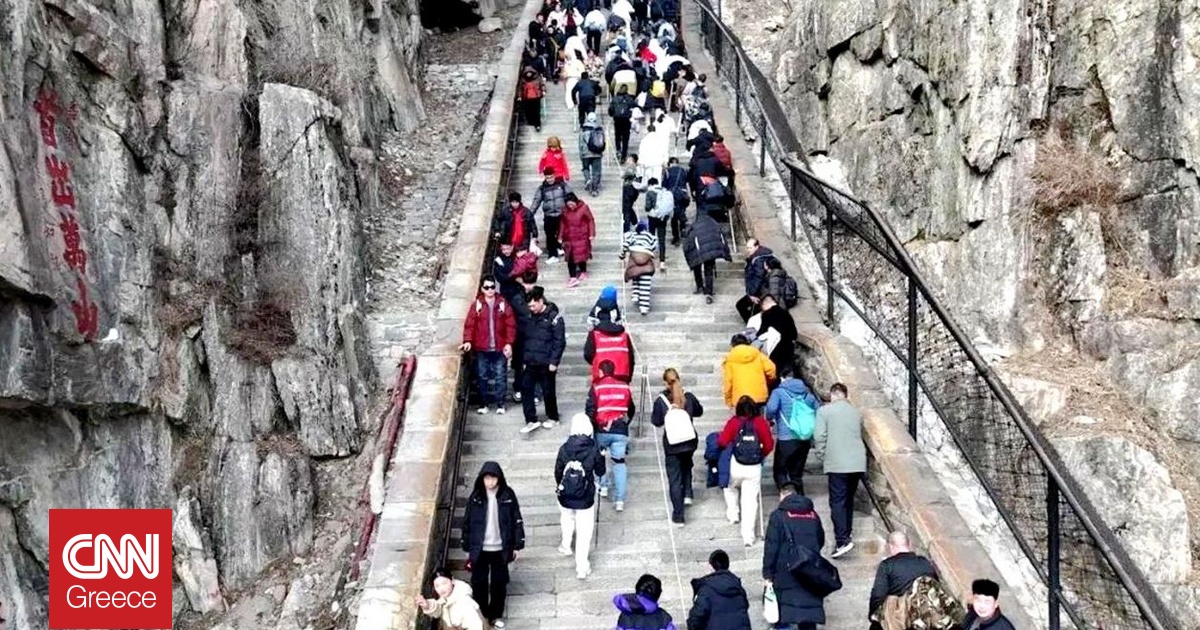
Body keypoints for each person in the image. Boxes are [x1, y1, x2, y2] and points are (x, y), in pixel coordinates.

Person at [460, 462, 525, 629]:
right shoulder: (476, 496)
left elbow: (516, 519)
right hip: (480, 548)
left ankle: (495, 615)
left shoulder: (507, 494)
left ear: (499, 478)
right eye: (487, 478)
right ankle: (482, 616)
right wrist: (466, 545)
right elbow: (467, 521)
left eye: (493, 478)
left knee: (499, 583)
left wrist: (517, 545)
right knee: (479, 583)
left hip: (500, 548)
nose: (490, 482)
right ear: (482, 479)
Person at [813, 382, 867, 558]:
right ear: (845, 395)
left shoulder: (824, 411)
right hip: (857, 462)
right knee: (848, 499)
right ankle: (847, 533)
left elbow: (819, 436)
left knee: (837, 501)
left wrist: (822, 456)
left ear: (832, 395)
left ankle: (842, 540)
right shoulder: (856, 412)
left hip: (837, 462)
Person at [762, 483, 827, 629]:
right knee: (808, 613)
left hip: (785, 570)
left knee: (784, 612)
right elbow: (820, 540)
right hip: (810, 569)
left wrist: (768, 573)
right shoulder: (813, 515)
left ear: (783, 495)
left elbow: (771, 547)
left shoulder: (778, 516)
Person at [715, 396, 775, 546]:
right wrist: (760, 455)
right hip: (754, 467)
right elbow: (769, 445)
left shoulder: (734, 422)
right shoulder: (760, 422)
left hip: (736, 464)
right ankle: (748, 536)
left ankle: (733, 514)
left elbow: (722, 441)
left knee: (729, 487)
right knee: (750, 501)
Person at [555, 413, 607, 580]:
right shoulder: (594, 448)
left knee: (567, 518)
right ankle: (582, 567)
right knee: (584, 531)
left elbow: (558, 471)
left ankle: (565, 545)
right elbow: (601, 471)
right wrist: (602, 457)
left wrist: (563, 487)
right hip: (585, 496)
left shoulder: (564, 448)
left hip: (565, 495)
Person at [650, 368, 702, 525]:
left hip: (672, 444)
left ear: (665, 383)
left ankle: (678, 516)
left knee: (674, 478)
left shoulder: (661, 401)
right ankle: (687, 493)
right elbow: (699, 411)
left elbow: (656, 421)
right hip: (689, 441)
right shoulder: (689, 397)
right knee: (687, 465)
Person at [461, 277, 516, 415]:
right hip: (482, 347)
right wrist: (467, 340)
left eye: (492, 287)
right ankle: (483, 404)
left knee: (500, 376)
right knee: (482, 376)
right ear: (482, 289)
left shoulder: (502, 303)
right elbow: (470, 324)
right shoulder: (477, 305)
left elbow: (511, 324)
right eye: (487, 287)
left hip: (499, 346)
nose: (490, 290)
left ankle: (500, 404)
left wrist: (509, 343)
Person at [586, 360, 636, 512]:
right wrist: (625, 423)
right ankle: (620, 500)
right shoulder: (624, 387)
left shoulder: (597, 387)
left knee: (599, 457)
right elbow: (631, 409)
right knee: (619, 463)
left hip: (601, 430)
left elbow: (590, 410)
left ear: (601, 372)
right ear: (613, 371)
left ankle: (603, 485)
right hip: (620, 430)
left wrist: (592, 428)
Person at [867, 531, 940, 630]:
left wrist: (872, 615)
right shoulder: (924, 562)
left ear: (890, 546)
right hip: (924, 617)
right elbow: (936, 586)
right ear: (909, 544)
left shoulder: (887, 565)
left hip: (901, 619)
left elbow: (878, 595)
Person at [519, 287, 565, 433]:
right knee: (526, 389)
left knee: (548, 391)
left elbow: (559, 342)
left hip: (546, 362)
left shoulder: (554, 318)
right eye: (529, 306)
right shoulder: (529, 317)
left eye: (533, 305)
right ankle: (531, 419)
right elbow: (525, 339)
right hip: (531, 360)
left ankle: (553, 416)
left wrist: (554, 361)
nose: (531, 309)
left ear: (540, 301)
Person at [764, 372, 820, 493]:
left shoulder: (778, 392)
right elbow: (818, 410)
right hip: (804, 438)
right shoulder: (808, 394)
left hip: (786, 438)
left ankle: (787, 497)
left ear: (782, 378)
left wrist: (770, 418)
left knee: (780, 471)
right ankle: (800, 497)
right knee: (796, 473)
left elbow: (771, 409)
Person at [687, 549, 752, 630]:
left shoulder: (706, 589)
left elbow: (697, 616)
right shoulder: (738, 587)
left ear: (711, 566)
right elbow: (745, 606)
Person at [682, 210, 731, 305]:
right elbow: (721, 238)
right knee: (709, 271)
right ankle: (709, 293)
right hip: (711, 252)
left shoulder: (695, 226)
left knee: (697, 267)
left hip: (699, 252)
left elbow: (688, 242)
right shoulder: (714, 224)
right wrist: (726, 253)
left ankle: (699, 286)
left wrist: (690, 258)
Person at [414, 568, 487, 630]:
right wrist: (427, 605)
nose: (442, 588)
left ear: (452, 580)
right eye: (437, 586)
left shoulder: (464, 602)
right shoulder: (446, 598)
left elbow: (476, 626)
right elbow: (440, 609)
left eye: (444, 583)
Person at [722, 334, 776, 410]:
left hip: (740, 399)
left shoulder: (729, 359)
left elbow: (728, 381)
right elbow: (771, 369)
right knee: (759, 417)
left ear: (732, 345)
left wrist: (728, 400)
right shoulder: (758, 354)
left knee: (742, 418)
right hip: (759, 395)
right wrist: (767, 382)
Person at [530, 168, 573, 262]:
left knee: (563, 234)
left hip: (562, 214)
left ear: (554, 176)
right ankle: (552, 255)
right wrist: (530, 214)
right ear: (545, 177)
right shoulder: (542, 188)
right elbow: (536, 201)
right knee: (549, 235)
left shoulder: (562, 185)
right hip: (549, 215)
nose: (550, 179)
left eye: (551, 177)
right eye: (547, 178)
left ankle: (561, 248)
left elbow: (571, 197)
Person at [621, 219, 658, 315]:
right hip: (646, 262)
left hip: (634, 258)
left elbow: (625, 244)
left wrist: (622, 255)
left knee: (635, 274)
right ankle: (644, 308)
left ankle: (635, 293)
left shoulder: (632, 235)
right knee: (646, 286)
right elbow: (654, 245)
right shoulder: (650, 236)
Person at [754, 294, 798, 374]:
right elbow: (794, 333)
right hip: (788, 348)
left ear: (764, 304)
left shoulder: (767, 314)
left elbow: (762, 332)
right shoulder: (786, 313)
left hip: (776, 350)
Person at [559, 193, 596, 287]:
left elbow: (590, 220)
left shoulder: (584, 208)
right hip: (569, 237)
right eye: (568, 205)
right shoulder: (565, 210)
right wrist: (560, 236)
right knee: (570, 257)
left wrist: (591, 233)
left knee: (581, 256)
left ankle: (583, 271)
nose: (570, 206)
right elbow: (563, 223)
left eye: (572, 204)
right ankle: (573, 277)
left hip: (581, 236)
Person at [584, 317, 635, 382]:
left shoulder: (594, 335)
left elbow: (588, 354)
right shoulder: (625, 336)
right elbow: (631, 358)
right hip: (622, 376)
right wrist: (628, 378)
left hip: (600, 378)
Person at [737, 238, 777, 322]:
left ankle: (752, 325)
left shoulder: (758, 260)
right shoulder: (762, 255)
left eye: (750, 248)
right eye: (747, 248)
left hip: (759, 292)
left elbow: (758, 277)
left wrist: (752, 294)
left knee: (741, 306)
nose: (748, 250)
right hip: (762, 290)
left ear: (756, 247)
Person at [644, 177, 674, 267]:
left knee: (651, 237)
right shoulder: (664, 191)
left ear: (650, 184)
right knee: (662, 239)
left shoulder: (650, 192)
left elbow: (647, 207)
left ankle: (650, 256)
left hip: (652, 217)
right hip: (662, 217)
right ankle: (662, 261)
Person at [578, 111, 606, 195]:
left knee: (585, 168)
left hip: (585, 153)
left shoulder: (583, 129)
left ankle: (588, 179)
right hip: (597, 153)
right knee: (596, 171)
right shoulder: (599, 128)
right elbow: (602, 141)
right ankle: (594, 189)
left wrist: (581, 154)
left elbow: (580, 142)